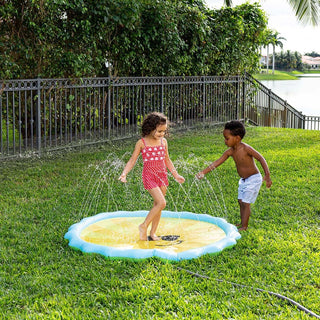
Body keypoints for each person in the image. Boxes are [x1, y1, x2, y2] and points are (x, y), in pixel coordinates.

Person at [119, 112, 185, 241]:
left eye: (164, 131)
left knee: (158, 205)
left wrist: (176, 175)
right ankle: (143, 226)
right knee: (161, 203)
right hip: (149, 177)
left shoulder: (163, 142)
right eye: (159, 131)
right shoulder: (142, 143)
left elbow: (167, 160)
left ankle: (153, 233)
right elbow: (132, 160)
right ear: (150, 128)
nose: (162, 134)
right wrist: (124, 173)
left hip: (162, 176)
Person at [196, 120, 272, 231]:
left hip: (254, 178)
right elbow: (217, 162)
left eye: (227, 138)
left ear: (237, 138)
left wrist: (267, 175)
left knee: (246, 203)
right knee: (241, 202)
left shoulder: (246, 148)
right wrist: (203, 172)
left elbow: (260, 158)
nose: (225, 141)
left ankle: (244, 227)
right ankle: (242, 223)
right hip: (244, 180)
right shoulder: (230, 152)